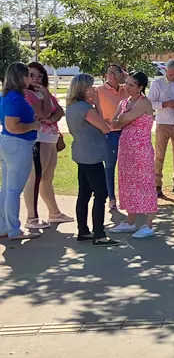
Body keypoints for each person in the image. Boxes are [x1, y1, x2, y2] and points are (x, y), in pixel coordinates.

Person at [65, 74, 118, 246]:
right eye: (91, 87)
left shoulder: (72, 107)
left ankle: (83, 230)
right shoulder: (86, 108)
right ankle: (99, 234)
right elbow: (104, 127)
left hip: (81, 153)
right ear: (83, 88)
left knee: (84, 193)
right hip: (92, 156)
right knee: (100, 194)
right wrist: (97, 104)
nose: (94, 89)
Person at [108, 72, 159, 237]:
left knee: (145, 185)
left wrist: (122, 118)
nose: (126, 87)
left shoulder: (144, 103)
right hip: (126, 149)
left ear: (140, 87)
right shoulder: (124, 102)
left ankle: (148, 225)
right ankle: (130, 222)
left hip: (141, 150)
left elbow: (124, 118)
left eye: (131, 84)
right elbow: (114, 123)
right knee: (128, 184)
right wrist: (121, 118)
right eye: (126, 83)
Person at [23, 62, 72, 229]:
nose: (36, 79)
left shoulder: (44, 93)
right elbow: (42, 113)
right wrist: (48, 112)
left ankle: (54, 213)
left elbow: (59, 110)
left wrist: (52, 117)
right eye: (32, 75)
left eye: (40, 75)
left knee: (47, 177)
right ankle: (31, 217)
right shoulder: (27, 94)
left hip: (50, 136)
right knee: (35, 176)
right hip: (38, 138)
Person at [0, 62, 41, 240]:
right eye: (27, 76)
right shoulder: (14, 98)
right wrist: (33, 125)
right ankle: (14, 229)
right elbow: (12, 126)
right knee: (13, 190)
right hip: (17, 145)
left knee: (7, 188)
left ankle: (4, 227)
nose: (30, 79)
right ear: (20, 77)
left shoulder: (8, 96)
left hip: (10, 144)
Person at [148, 59, 174, 197]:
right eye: (170, 74)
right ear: (166, 71)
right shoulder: (157, 83)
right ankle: (157, 185)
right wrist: (165, 104)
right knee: (159, 155)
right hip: (163, 123)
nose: (173, 77)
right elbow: (150, 103)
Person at [95, 63, 127, 210]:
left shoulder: (125, 89)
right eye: (109, 72)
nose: (112, 75)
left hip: (125, 132)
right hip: (109, 133)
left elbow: (140, 97)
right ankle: (111, 197)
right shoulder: (99, 91)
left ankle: (125, 197)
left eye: (116, 72)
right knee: (109, 165)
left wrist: (126, 76)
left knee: (125, 166)